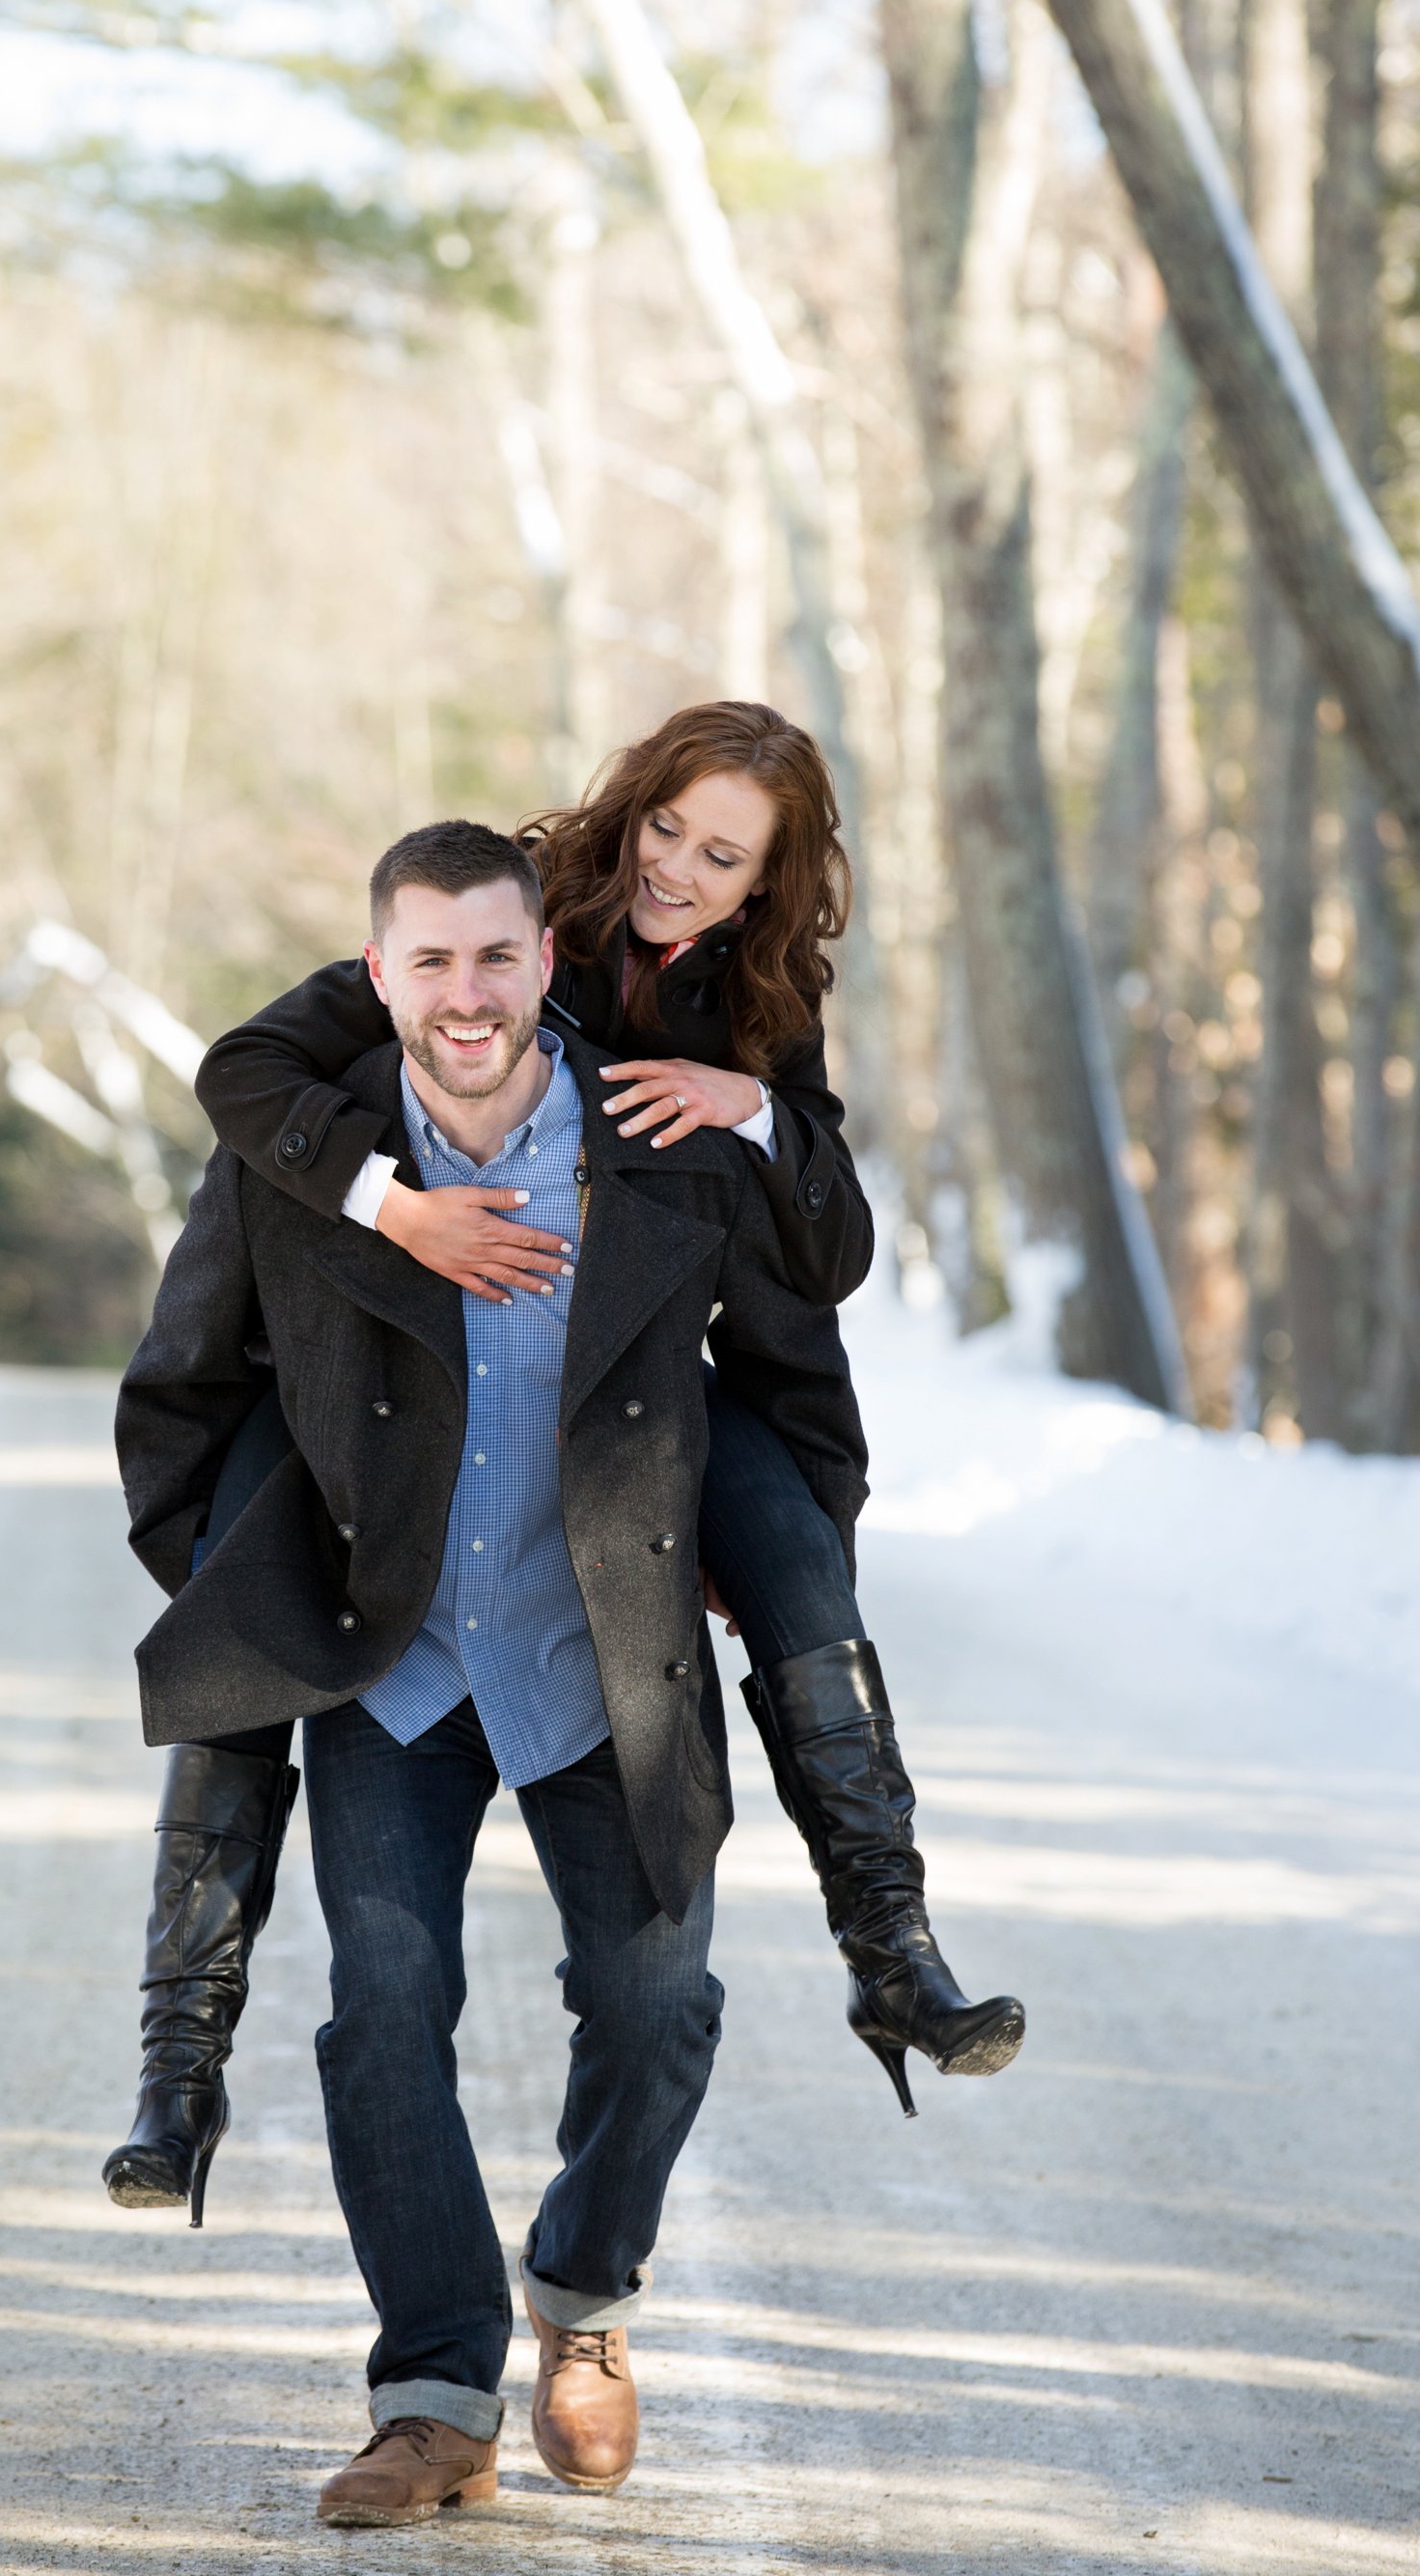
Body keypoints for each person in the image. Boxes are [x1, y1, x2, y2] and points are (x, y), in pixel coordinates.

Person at [105, 706, 1022, 2237]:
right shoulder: (507, 917)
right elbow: (248, 1072)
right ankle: (179, 2054)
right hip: (368, 1343)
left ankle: (891, 1948)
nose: (677, 870)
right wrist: (396, 1209)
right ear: (630, 808)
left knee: (799, 1558)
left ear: (767, 884)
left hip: (629, 1387)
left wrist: (754, 1106)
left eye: (722, 856)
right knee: (247, 1589)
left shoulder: (757, 1001)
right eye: (667, 827)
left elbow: (823, 1250)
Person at [113, 820, 875, 2518]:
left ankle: (586, 2300)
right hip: (394, 1666)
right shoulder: (306, 1162)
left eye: (497, 957)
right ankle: (437, 2397)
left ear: (549, 960)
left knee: (658, 2004)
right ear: (378, 975)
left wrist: (771, 1551)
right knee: (384, 2015)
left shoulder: (651, 1143)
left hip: (606, 1649)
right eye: (431, 961)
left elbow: (793, 1366)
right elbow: (181, 1387)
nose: (467, 995)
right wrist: (253, 1585)